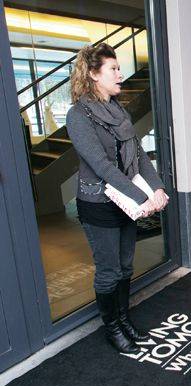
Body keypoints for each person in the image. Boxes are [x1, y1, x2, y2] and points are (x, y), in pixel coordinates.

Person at [66, 43, 168, 354]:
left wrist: (157, 188)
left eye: (118, 68)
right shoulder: (78, 115)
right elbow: (101, 165)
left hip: (125, 203)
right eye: (113, 69)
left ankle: (124, 320)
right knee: (109, 271)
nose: (120, 74)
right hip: (98, 205)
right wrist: (141, 197)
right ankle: (112, 329)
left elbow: (138, 155)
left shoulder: (119, 110)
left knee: (125, 267)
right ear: (94, 74)